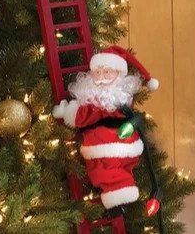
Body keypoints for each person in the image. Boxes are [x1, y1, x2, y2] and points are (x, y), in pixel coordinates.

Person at [52, 45, 159, 210]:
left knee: (103, 172)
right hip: (124, 144)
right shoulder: (119, 98)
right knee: (117, 170)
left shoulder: (103, 102)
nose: (101, 78)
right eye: (97, 72)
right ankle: (120, 197)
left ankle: (118, 198)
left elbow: (84, 115)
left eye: (107, 72)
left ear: (118, 74)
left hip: (108, 145)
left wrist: (68, 112)